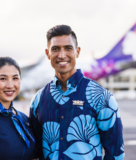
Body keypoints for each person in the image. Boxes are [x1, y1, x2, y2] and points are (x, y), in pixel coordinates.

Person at [30, 25, 125, 160]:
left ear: (77, 52)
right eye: (55, 49)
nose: (62, 55)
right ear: (47, 54)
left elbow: (115, 153)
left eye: (68, 48)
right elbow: (37, 150)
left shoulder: (102, 97)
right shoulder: (38, 100)